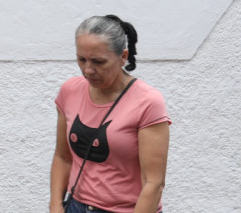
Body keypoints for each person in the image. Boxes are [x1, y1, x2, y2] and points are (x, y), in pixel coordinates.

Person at [50, 15, 170, 213]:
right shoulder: (70, 91)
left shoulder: (147, 102)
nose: (88, 70)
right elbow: (63, 157)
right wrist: (56, 206)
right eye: (81, 59)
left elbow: (153, 183)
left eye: (98, 62)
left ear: (123, 56)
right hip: (76, 207)